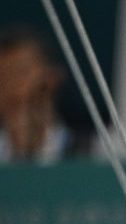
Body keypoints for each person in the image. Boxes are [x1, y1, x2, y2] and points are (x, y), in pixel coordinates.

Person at [0, 26, 92, 163]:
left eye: (20, 72)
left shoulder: (96, 150)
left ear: (52, 78)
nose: (12, 86)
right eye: (3, 77)